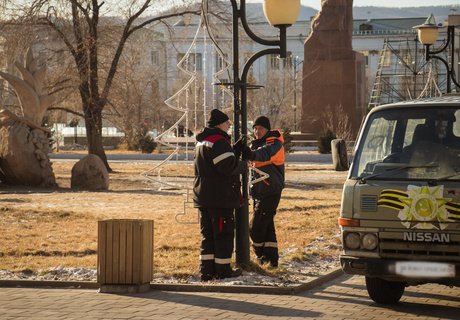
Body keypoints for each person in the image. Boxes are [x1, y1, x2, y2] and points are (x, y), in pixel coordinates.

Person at [193, 108, 247, 281]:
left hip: (203, 196)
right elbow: (227, 168)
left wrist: (234, 150)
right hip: (220, 197)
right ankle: (223, 270)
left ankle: (207, 270)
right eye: (227, 122)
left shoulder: (203, 142)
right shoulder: (219, 142)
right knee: (223, 235)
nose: (229, 124)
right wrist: (243, 164)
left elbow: (216, 163)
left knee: (207, 235)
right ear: (219, 124)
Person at [245, 116, 285, 267]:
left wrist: (249, 154)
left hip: (271, 190)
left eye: (260, 128)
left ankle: (261, 256)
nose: (257, 131)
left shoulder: (274, 143)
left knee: (255, 228)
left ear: (267, 129)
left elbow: (264, 153)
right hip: (259, 191)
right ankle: (271, 261)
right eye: (255, 128)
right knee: (267, 227)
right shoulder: (254, 144)